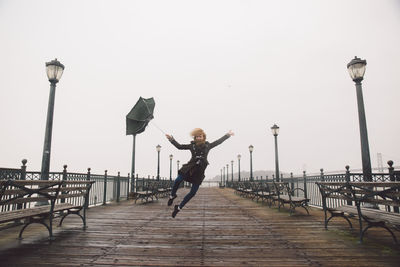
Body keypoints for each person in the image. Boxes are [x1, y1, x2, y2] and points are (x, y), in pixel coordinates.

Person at [166, 128, 234, 218]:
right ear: (195, 137)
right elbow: (179, 146)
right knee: (178, 179)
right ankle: (172, 195)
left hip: (199, 171)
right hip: (189, 168)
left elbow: (218, 142)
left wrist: (227, 135)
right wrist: (171, 139)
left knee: (193, 192)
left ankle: (178, 207)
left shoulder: (208, 145)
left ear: (203, 137)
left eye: (200, 136)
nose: (198, 138)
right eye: (197, 136)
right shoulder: (192, 146)